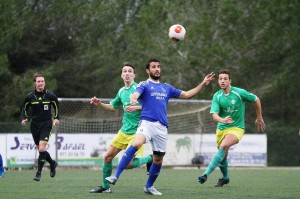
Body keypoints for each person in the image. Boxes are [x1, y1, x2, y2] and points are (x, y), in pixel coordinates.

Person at [105, 58, 215, 195]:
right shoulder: (144, 85)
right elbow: (135, 94)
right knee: (136, 143)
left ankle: (149, 186)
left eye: (158, 67)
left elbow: (186, 94)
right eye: (153, 67)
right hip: (146, 123)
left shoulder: (167, 87)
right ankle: (116, 175)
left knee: (158, 159)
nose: (157, 69)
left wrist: (203, 84)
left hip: (161, 127)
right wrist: (133, 98)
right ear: (148, 70)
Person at [89, 62, 153, 194]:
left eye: (130, 71)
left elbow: (152, 107)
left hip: (138, 132)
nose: (127, 73)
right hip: (124, 130)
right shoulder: (121, 91)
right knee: (107, 157)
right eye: (125, 71)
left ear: (134, 74)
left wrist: (136, 107)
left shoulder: (140, 89)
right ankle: (105, 187)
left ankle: (150, 158)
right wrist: (100, 103)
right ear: (121, 75)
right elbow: (113, 107)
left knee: (127, 164)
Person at [198, 69, 266, 187]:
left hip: (237, 127)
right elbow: (214, 115)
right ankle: (225, 178)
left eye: (225, 79)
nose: (222, 81)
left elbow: (256, 99)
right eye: (220, 79)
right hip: (221, 128)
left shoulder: (239, 93)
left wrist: (259, 117)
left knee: (224, 146)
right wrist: (222, 120)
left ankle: (205, 174)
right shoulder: (217, 96)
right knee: (223, 155)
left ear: (230, 81)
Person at [21, 73, 59, 181]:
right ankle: (52, 163)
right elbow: (24, 108)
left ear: (44, 83)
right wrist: (25, 118)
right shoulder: (30, 96)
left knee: (42, 148)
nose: (40, 83)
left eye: (42, 81)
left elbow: (56, 106)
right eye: (38, 81)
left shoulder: (50, 95)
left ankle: (38, 173)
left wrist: (56, 118)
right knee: (41, 150)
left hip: (47, 124)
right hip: (34, 125)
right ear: (35, 83)